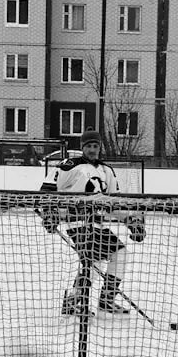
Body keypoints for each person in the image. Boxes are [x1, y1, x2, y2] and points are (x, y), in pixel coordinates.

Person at [39, 129, 145, 316]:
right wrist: (50, 213)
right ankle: (76, 301)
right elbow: (48, 189)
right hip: (77, 222)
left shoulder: (107, 171)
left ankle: (103, 299)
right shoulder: (70, 165)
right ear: (82, 148)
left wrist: (130, 221)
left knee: (118, 254)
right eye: (89, 146)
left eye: (96, 146)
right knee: (92, 260)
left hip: (96, 224)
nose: (92, 150)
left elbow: (113, 203)